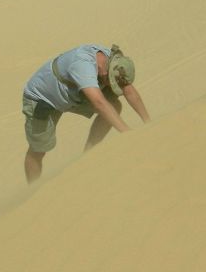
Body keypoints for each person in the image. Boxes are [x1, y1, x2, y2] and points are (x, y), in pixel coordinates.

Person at [22, 43, 150, 183]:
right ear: (105, 72)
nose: (109, 85)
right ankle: (33, 189)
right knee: (38, 150)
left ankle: (88, 156)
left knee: (114, 105)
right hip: (43, 99)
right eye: (110, 82)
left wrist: (148, 123)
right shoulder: (83, 66)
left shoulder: (113, 61)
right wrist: (127, 133)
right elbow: (99, 103)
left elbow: (128, 90)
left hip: (72, 94)